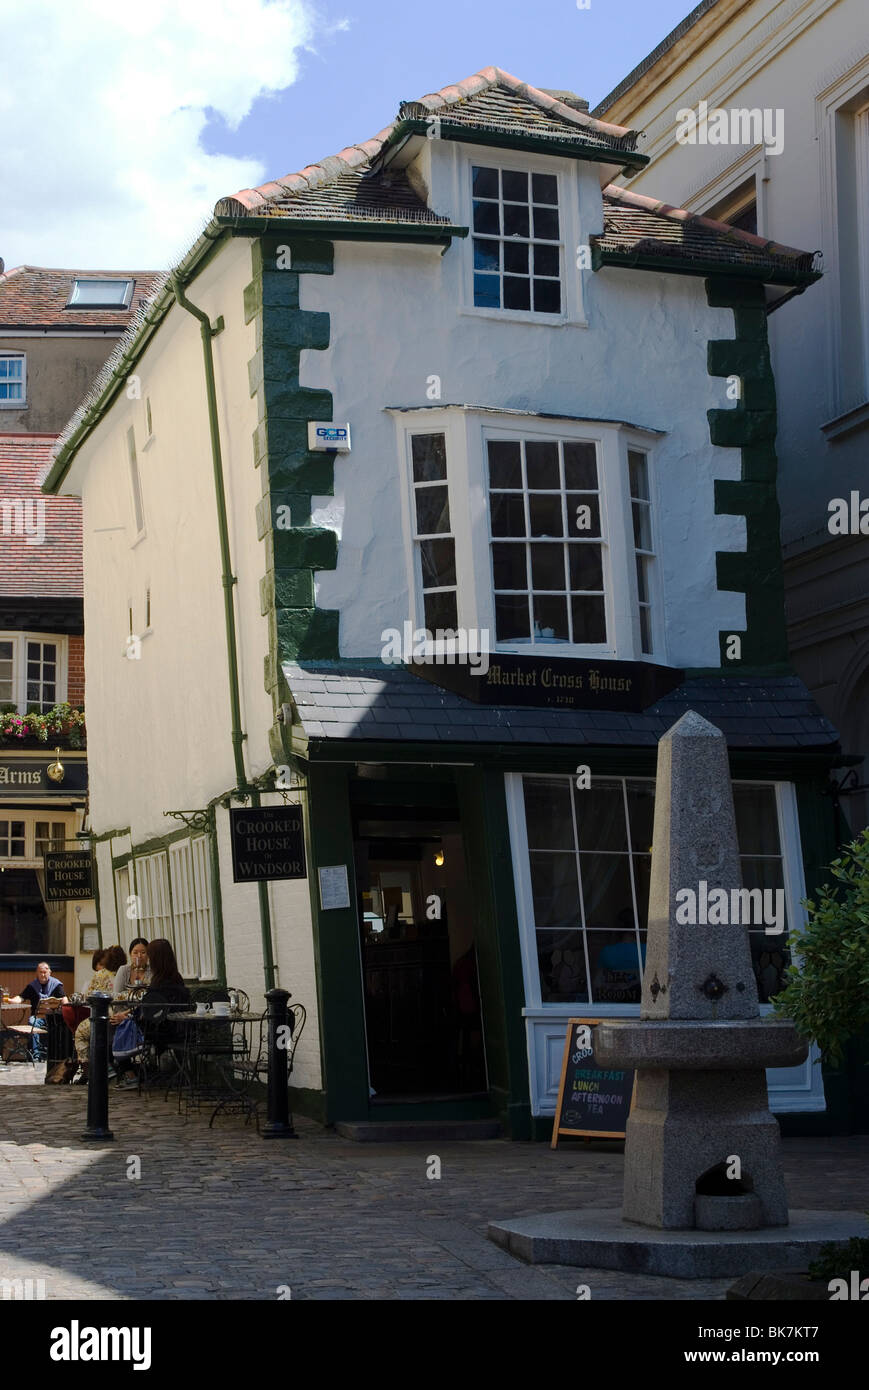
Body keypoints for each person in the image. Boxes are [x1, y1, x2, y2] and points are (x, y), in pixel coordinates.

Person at [115, 939, 190, 1088]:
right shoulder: (176, 978)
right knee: (119, 1024)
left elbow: (148, 1009)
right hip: (180, 1029)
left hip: (160, 1030)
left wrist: (127, 1016)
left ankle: (128, 1074)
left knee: (118, 1029)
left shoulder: (159, 982)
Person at [72, 945, 127, 1083]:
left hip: (104, 1015)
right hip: (125, 1014)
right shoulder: (127, 973)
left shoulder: (100, 974)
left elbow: (89, 996)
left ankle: (91, 1070)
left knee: (80, 1033)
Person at [10, 962, 68, 1061]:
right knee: (32, 1021)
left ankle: (55, 1054)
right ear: (37, 973)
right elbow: (21, 997)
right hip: (38, 1019)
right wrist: (11, 1000)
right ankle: (36, 1054)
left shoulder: (56, 985)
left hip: (53, 1018)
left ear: (50, 972)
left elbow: (65, 1001)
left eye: (45, 972)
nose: (43, 974)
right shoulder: (33, 986)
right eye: (40, 972)